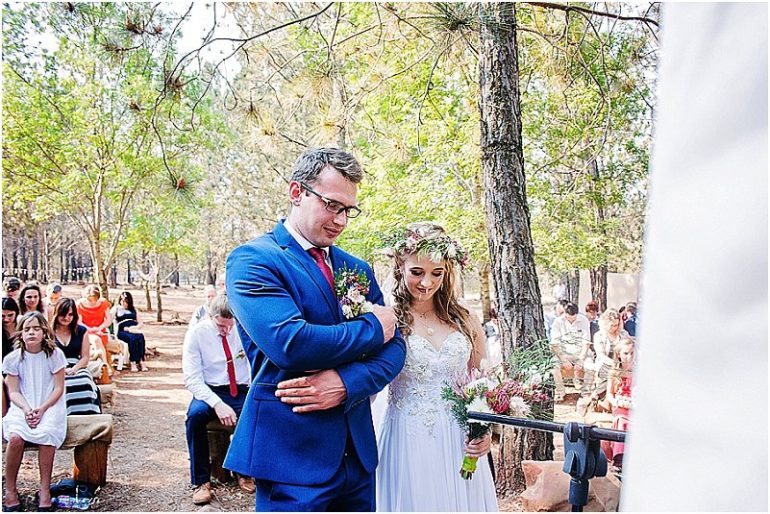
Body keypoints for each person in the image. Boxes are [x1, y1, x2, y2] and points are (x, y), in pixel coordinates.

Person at [223, 147, 406, 511]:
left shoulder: (356, 267)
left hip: (357, 457)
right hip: (292, 455)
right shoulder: (254, 260)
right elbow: (292, 343)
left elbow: (395, 349)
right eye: (331, 205)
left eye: (348, 210)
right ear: (297, 192)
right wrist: (375, 326)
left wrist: (346, 384)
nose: (341, 220)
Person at [376, 222, 498, 512]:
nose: (426, 283)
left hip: (460, 440)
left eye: (436, 273)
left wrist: (486, 432)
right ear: (400, 268)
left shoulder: (465, 319)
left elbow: (483, 381)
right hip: (408, 439)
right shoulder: (389, 320)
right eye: (417, 272)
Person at [182, 294, 255, 505]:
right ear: (210, 316)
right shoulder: (196, 334)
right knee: (195, 417)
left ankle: (243, 470)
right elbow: (192, 379)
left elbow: (253, 365)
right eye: (221, 326)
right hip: (210, 390)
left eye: (230, 326)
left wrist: (252, 392)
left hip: (241, 388)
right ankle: (201, 481)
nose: (227, 331)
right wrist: (218, 404)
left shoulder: (244, 329)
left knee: (256, 414)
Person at [2, 311, 67, 511]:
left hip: (50, 405)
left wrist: (42, 409)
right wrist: (27, 409)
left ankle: (45, 489)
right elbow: (13, 391)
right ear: (21, 333)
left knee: (47, 435)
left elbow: (58, 388)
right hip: (23, 405)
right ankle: (10, 489)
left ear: (44, 332)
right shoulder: (13, 359)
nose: (31, 332)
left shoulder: (55, 355)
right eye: (27, 329)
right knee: (16, 438)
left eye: (36, 328)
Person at [51, 298, 102, 415]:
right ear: (57, 313)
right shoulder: (48, 332)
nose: (66, 318)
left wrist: (74, 369)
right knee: (63, 385)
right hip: (55, 367)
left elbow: (85, 357)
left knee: (85, 382)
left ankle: (88, 415)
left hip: (77, 366)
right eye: (63, 314)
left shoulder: (81, 331)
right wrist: (61, 370)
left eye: (70, 315)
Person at [582, 308, 631, 414]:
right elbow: (601, 355)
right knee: (611, 375)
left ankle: (595, 396)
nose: (614, 328)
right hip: (605, 364)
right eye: (612, 325)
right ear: (605, 323)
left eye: (616, 325)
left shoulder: (624, 334)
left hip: (622, 365)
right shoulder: (599, 335)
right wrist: (614, 364)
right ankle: (598, 397)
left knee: (619, 374)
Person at [601, 336, 635, 474]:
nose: (629, 357)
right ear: (619, 355)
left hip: (633, 404)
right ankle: (619, 457)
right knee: (621, 420)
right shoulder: (614, 373)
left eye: (632, 353)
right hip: (620, 405)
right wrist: (615, 402)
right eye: (625, 353)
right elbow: (610, 394)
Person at [549, 302, 591, 402]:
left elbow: (586, 343)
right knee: (553, 367)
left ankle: (585, 393)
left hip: (580, 353)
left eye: (574, 318)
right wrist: (563, 360)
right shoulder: (558, 322)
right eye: (569, 318)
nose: (572, 320)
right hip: (563, 353)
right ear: (565, 314)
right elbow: (554, 345)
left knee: (591, 368)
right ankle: (560, 392)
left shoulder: (584, 320)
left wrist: (581, 360)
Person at [76, 285, 113, 381]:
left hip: (100, 330)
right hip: (85, 331)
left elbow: (108, 319)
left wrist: (100, 327)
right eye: (90, 300)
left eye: (94, 300)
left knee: (98, 340)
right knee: (96, 340)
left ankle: (103, 365)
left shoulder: (103, 303)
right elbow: (79, 321)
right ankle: (105, 364)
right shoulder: (80, 305)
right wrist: (90, 329)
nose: (92, 302)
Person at [111, 291, 148, 372]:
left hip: (133, 329)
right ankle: (133, 362)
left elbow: (140, 322)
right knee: (132, 339)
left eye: (126, 301)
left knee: (140, 337)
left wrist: (136, 327)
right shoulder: (116, 309)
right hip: (122, 330)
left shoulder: (134, 310)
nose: (123, 303)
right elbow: (109, 320)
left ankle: (141, 361)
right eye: (122, 300)